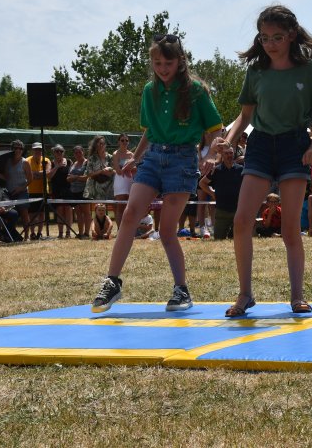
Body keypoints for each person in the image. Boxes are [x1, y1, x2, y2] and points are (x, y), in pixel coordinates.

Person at [91, 33, 222, 313]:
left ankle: (181, 290)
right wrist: (135, 157)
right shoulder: (150, 90)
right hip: (152, 158)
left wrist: (211, 154)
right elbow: (149, 131)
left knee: (166, 229)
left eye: (168, 63)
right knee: (130, 215)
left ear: (180, 61)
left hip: (182, 158)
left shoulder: (196, 91)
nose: (163, 68)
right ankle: (112, 282)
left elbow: (215, 129)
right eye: (158, 63)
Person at [222, 5, 312, 316]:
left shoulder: (307, 70)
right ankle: (245, 294)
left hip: (294, 146)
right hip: (259, 145)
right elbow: (244, 117)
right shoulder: (255, 71)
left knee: (290, 227)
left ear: (292, 35)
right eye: (264, 37)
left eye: (277, 37)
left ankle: (297, 296)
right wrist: (228, 141)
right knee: (242, 220)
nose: (270, 43)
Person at [198, 141, 243, 240]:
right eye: (226, 153)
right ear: (222, 155)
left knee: (238, 238)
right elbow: (202, 183)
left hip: (238, 210)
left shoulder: (241, 169)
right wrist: (212, 193)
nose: (229, 155)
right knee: (218, 239)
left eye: (231, 153)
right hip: (221, 211)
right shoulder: (216, 170)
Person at [5, 140, 32, 240]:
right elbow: (6, 177)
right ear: (12, 149)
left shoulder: (25, 162)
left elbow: (30, 179)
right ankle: (13, 236)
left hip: (22, 192)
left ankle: (27, 236)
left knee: (24, 214)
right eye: (15, 148)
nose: (18, 150)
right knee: (11, 215)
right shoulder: (7, 161)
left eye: (20, 148)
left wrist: (21, 188)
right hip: (9, 192)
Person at [47, 144, 73, 239]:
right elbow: (49, 176)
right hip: (56, 190)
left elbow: (72, 174)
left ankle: (68, 232)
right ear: (53, 152)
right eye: (57, 151)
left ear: (63, 152)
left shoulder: (69, 161)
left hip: (67, 189)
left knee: (68, 210)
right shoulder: (51, 163)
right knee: (60, 211)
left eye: (61, 151)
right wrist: (57, 166)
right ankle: (60, 233)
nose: (59, 153)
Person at [26, 142, 50, 240]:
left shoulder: (46, 160)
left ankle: (39, 232)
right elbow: (28, 174)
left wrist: (34, 174)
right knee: (31, 213)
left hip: (43, 191)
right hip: (31, 190)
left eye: (39, 149)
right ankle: (32, 233)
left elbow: (47, 172)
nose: (38, 151)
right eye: (36, 149)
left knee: (41, 213)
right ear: (32, 150)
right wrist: (40, 174)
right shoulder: (27, 160)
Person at [67, 145, 91, 239]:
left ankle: (87, 233)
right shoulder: (73, 164)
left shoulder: (87, 163)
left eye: (79, 152)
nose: (78, 154)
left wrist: (75, 177)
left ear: (83, 152)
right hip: (73, 191)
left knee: (86, 212)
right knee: (78, 213)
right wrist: (71, 178)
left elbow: (87, 177)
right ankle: (80, 233)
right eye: (76, 153)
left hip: (84, 191)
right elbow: (68, 178)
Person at [83, 135, 114, 205]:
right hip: (95, 188)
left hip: (109, 187)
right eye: (98, 144)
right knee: (98, 208)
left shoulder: (110, 157)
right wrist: (101, 171)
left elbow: (115, 170)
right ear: (95, 145)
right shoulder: (92, 158)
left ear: (105, 145)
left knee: (110, 207)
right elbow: (88, 174)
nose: (100, 145)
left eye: (102, 143)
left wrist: (110, 170)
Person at [112, 133, 135, 225]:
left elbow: (135, 168)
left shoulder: (131, 154)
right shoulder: (115, 154)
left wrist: (126, 169)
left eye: (126, 140)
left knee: (129, 207)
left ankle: (128, 228)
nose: (124, 142)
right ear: (118, 142)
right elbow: (118, 171)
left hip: (130, 181)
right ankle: (119, 229)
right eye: (122, 140)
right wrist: (128, 169)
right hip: (120, 181)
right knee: (120, 207)